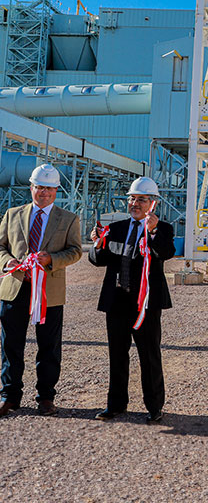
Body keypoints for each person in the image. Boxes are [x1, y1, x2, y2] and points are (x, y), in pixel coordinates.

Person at [89, 177, 175, 424]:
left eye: (141, 200)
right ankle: (115, 405)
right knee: (117, 354)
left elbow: (165, 253)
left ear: (153, 204)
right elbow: (98, 259)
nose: (135, 204)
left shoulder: (163, 229)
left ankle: (154, 406)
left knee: (149, 355)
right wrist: (96, 243)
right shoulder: (115, 229)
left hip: (146, 303)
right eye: (132, 199)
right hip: (117, 301)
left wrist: (152, 231)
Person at [0, 164, 81, 417]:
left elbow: (76, 251)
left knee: (49, 346)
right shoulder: (12, 214)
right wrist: (7, 262)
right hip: (15, 288)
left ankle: (46, 397)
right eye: (39, 187)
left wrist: (52, 260)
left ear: (56, 191)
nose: (43, 192)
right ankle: (9, 395)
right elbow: (0, 246)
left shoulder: (68, 219)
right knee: (10, 345)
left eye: (48, 188)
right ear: (31, 187)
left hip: (48, 292)